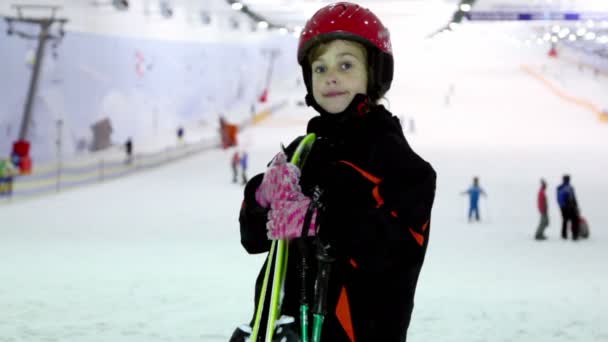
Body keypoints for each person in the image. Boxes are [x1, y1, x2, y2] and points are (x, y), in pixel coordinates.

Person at [232, 2, 436, 341]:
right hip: (285, 330)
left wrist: (319, 223)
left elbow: (396, 257)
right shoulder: (301, 152)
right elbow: (254, 240)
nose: (331, 77)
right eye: (319, 67)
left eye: (346, 64)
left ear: (375, 72)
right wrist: (261, 195)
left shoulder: (402, 165)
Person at [556, 174, 580, 240]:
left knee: (566, 220)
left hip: (565, 207)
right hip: (567, 207)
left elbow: (573, 198)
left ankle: (565, 235)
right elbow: (572, 198)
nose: (568, 180)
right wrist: (575, 206)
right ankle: (573, 235)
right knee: (573, 219)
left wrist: (561, 206)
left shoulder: (561, 187)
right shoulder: (566, 187)